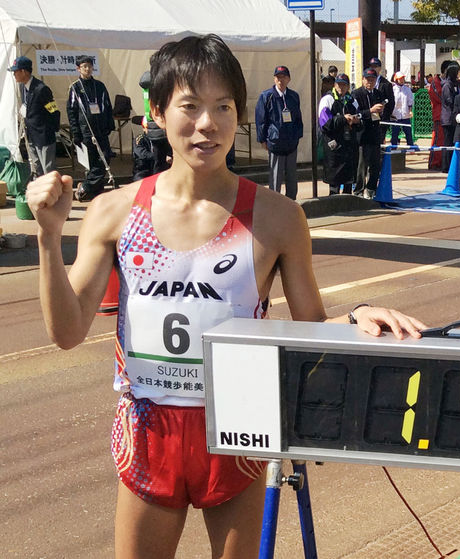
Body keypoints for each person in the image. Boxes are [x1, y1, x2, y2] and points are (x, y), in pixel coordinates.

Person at [26, 34, 425, 559]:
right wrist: (49, 239)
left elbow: (306, 329)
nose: (207, 124)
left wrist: (358, 316)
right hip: (149, 430)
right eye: (189, 107)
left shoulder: (278, 217)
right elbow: (67, 331)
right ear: (157, 111)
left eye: (223, 107)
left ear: (239, 114)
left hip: (238, 428)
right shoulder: (115, 211)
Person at [67, 55, 114, 202]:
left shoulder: (99, 86)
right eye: (84, 66)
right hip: (85, 130)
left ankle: (86, 186)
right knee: (92, 162)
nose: (87, 69)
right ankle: (94, 190)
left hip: (101, 129)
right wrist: (75, 132)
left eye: (89, 66)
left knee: (106, 156)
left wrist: (109, 124)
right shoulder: (75, 87)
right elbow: (71, 111)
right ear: (78, 69)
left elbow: (107, 106)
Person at [255, 65, 303, 200]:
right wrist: (262, 139)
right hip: (275, 142)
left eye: (283, 77)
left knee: (292, 176)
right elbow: (261, 119)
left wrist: (297, 135)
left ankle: (291, 202)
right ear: (274, 79)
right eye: (278, 77)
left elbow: (298, 117)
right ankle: (274, 203)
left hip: (291, 143)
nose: (280, 80)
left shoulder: (293, 96)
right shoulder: (267, 96)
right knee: (275, 177)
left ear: (289, 79)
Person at [8, 55, 60, 177]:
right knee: (37, 168)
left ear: (23, 71)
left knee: (48, 169)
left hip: (44, 136)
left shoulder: (41, 89)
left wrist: (51, 131)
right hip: (31, 135)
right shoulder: (22, 87)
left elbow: (54, 111)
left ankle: (54, 193)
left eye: (15, 71)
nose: (14, 75)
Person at [318, 73, 362, 195]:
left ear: (348, 87)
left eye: (344, 85)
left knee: (348, 181)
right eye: (338, 84)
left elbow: (360, 121)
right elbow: (324, 123)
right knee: (334, 182)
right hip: (333, 147)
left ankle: (348, 205)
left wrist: (357, 121)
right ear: (334, 85)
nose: (341, 87)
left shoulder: (352, 101)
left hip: (349, 146)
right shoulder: (327, 99)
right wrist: (343, 119)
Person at [352, 67, 386, 199]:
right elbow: (356, 114)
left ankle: (372, 189)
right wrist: (370, 110)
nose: (370, 82)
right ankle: (359, 190)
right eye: (368, 79)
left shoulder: (377, 93)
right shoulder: (356, 94)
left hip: (375, 133)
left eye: (372, 79)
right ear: (363, 79)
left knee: (375, 164)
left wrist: (381, 111)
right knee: (362, 165)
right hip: (362, 134)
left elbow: (382, 113)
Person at [427, 60, 450, 170]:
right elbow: (442, 97)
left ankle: (444, 162)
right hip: (439, 116)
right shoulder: (435, 82)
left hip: (449, 116)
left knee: (447, 141)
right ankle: (434, 163)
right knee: (437, 140)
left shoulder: (452, 82)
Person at [440, 63, 460, 172]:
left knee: (453, 142)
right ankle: (446, 166)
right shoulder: (447, 85)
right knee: (447, 143)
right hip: (448, 118)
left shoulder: (454, 84)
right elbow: (449, 101)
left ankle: (452, 165)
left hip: (453, 117)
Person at [390, 72, 415, 146]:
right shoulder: (393, 89)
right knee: (395, 132)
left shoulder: (407, 89)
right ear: (396, 79)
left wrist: (410, 111)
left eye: (403, 78)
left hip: (405, 114)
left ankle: (411, 146)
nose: (402, 80)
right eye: (400, 79)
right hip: (395, 115)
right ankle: (393, 147)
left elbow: (410, 101)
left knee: (408, 132)